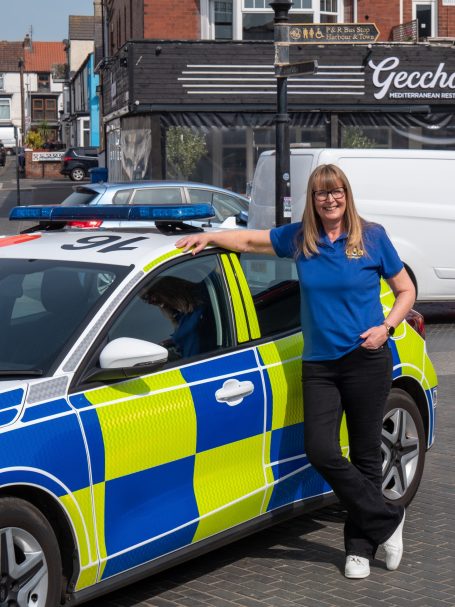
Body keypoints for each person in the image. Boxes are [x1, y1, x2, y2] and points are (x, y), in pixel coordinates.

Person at [175, 163, 415, 579]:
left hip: (366, 358)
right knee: (320, 450)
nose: (330, 199)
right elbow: (248, 240)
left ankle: (359, 548)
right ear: (313, 199)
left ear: (346, 195)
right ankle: (388, 517)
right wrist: (209, 236)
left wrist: (387, 328)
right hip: (320, 363)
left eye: (336, 191)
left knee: (365, 455)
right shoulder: (302, 238)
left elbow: (406, 290)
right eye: (322, 193)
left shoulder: (372, 237)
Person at [143, 276, 207, 358]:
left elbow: (191, 336)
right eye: (145, 299)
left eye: (150, 295)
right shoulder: (180, 316)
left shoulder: (198, 312)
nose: (150, 301)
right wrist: (172, 342)